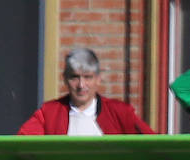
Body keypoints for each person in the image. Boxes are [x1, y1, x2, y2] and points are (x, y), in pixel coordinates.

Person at [18, 49, 154, 136]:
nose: (81, 85)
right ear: (65, 79)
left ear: (98, 80)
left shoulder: (120, 113)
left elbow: (152, 144)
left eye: (87, 77)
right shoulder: (49, 113)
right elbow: (23, 144)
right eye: (74, 77)